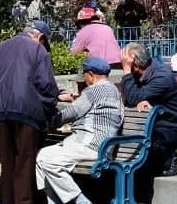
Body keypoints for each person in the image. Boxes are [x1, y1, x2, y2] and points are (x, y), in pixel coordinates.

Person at [0, 20, 59, 204]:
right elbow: (47, 86)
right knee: (24, 166)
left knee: (7, 163)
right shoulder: (37, 50)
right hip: (28, 113)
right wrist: (48, 108)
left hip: (2, 112)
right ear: (40, 37)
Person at [36, 57, 123, 204]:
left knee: (47, 160)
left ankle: (80, 201)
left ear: (90, 74)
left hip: (91, 146)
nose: (84, 78)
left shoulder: (95, 90)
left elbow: (72, 112)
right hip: (98, 146)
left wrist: (52, 120)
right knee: (42, 156)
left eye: (84, 75)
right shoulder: (112, 89)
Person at [120, 43, 177, 203]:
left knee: (142, 166)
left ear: (135, 65)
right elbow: (133, 99)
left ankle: (169, 158)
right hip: (151, 127)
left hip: (170, 130)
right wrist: (141, 98)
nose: (123, 65)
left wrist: (125, 71)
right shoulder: (142, 75)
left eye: (126, 62)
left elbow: (132, 98)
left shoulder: (161, 77)